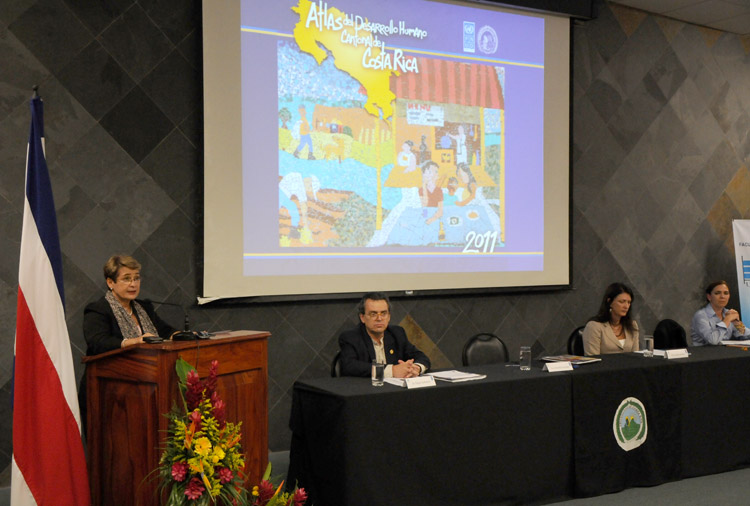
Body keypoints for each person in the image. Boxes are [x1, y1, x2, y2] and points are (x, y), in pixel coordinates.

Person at [83, 254, 177, 355]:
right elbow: (98, 343)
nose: (133, 284)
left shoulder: (144, 307)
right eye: (127, 279)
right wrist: (134, 342)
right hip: (110, 368)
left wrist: (181, 335)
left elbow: (166, 332)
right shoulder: (98, 310)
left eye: (136, 278)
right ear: (110, 282)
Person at [338, 292, 431, 378]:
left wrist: (415, 368)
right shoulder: (350, 337)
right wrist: (392, 371)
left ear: (389, 317)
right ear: (362, 317)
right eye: (373, 314)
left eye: (383, 313)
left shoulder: (397, 333)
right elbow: (349, 366)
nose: (379, 318)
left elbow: (421, 357)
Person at [582, 282, 639, 355]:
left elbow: (636, 356)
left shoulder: (632, 325)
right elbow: (593, 359)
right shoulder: (594, 326)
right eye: (622, 302)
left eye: (629, 302)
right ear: (610, 302)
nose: (626, 306)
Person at [690, 280, 750, 346]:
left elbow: (747, 337)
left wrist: (737, 323)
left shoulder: (728, 313)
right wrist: (727, 320)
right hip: (704, 354)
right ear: (709, 297)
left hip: (726, 354)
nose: (722, 296)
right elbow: (713, 341)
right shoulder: (701, 316)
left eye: (726, 293)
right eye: (717, 293)